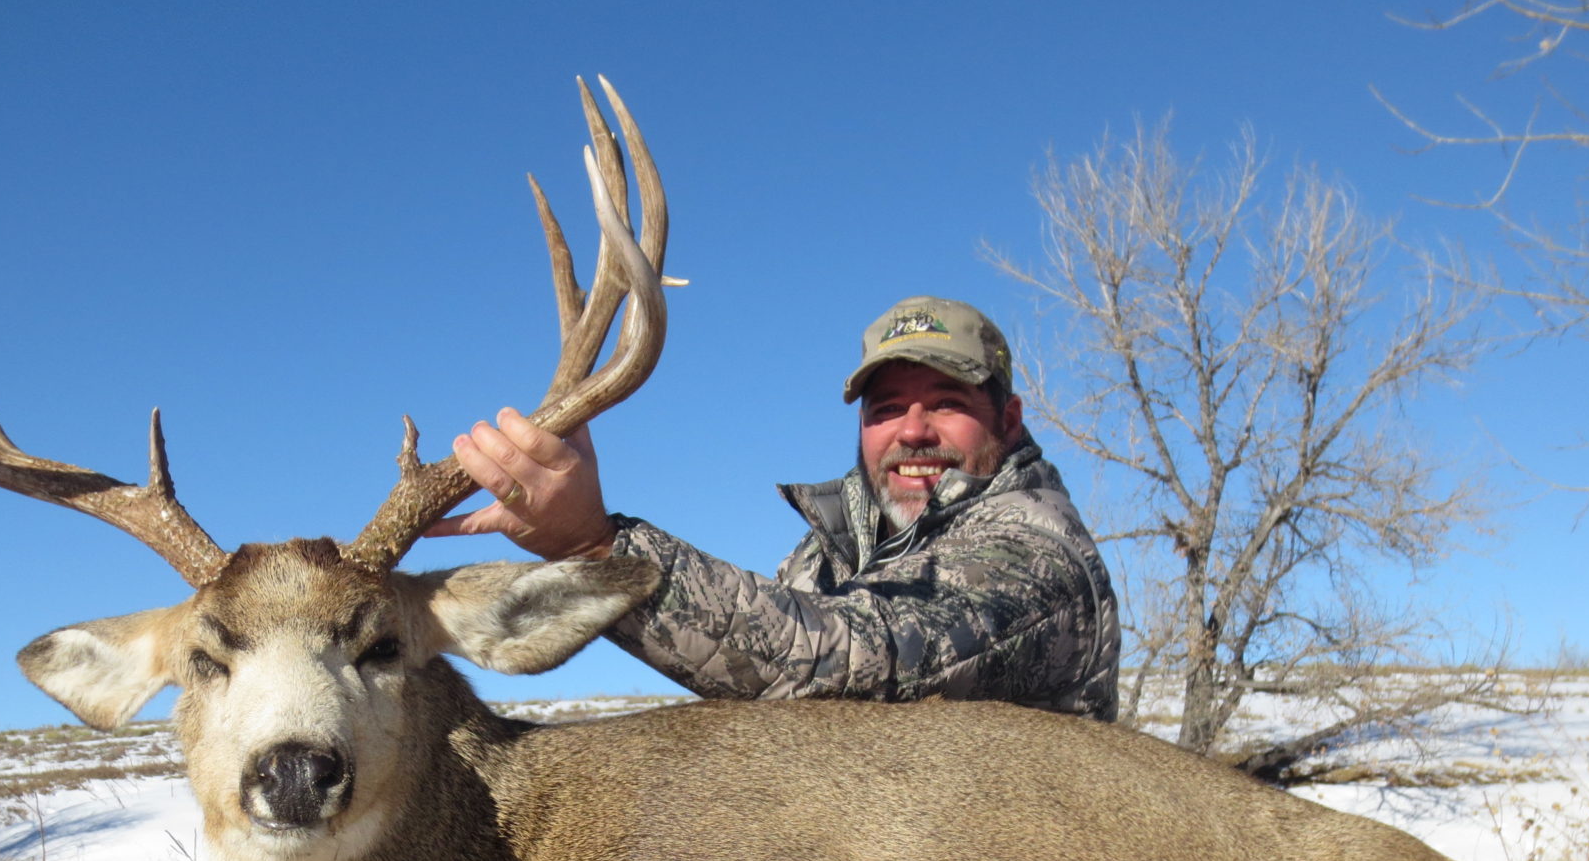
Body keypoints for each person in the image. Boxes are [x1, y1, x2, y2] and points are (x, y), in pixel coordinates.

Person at [428, 296, 1120, 719]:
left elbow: (843, 672)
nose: (913, 430)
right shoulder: (830, 558)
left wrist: (594, 548)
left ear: (1013, 419)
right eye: (886, 409)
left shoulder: (1038, 555)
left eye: (947, 404)